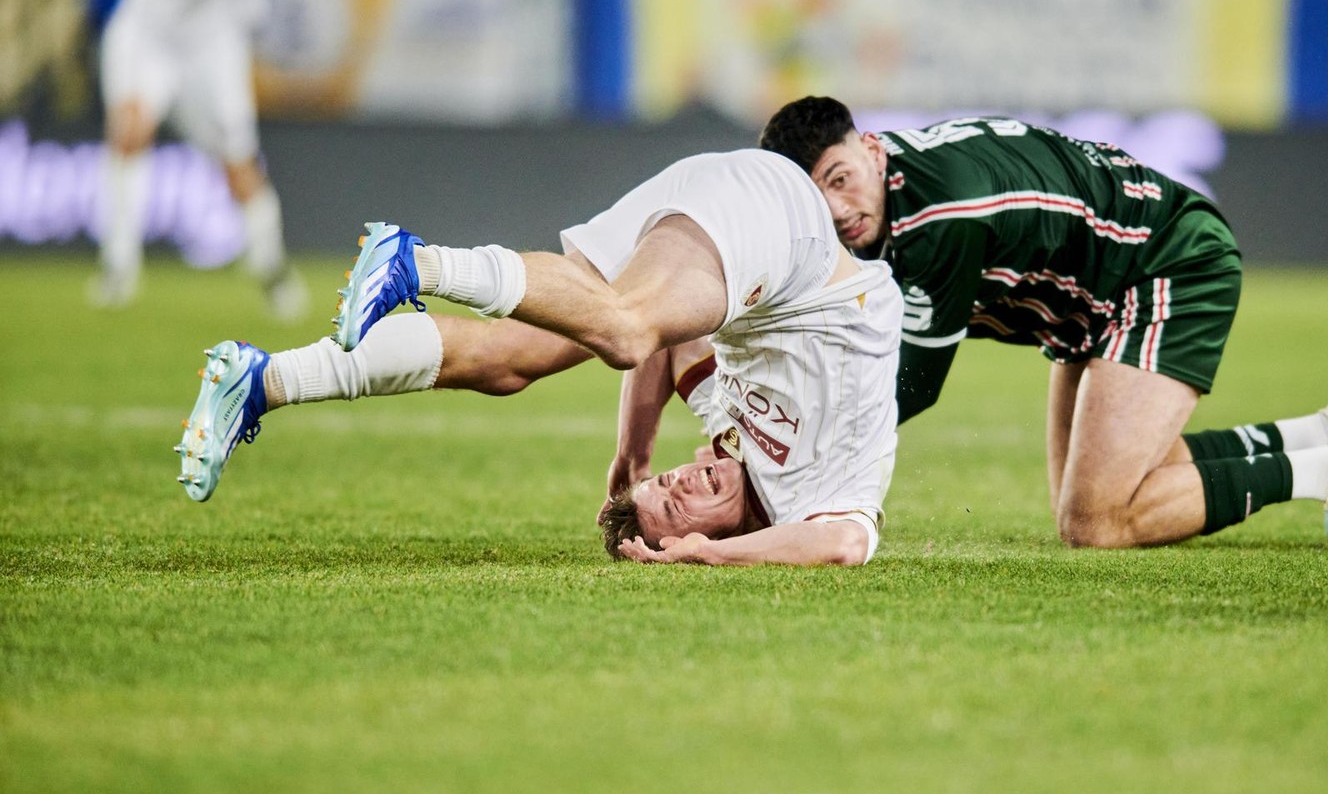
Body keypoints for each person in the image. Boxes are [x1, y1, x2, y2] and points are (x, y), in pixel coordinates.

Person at [174, 148, 903, 566]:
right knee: (623, 331)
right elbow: (841, 545)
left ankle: (263, 381)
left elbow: (677, 337)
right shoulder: (818, 497)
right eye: (682, 504)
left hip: (719, 209)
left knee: (507, 363)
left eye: (668, 491)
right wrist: (707, 557)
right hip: (786, 233)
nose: (680, 481)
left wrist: (632, 458)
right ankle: (414, 263)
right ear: (720, 535)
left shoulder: (724, 418)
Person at [757, 96, 1328, 549]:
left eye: (840, 179)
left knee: (1098, 519)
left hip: (1161, 262)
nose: (838, 211)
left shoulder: (933, 219)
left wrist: (802, 457)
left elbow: (912, 385)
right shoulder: (889, 191)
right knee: (1097, 488)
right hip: (1092, 296)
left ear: (871, 150)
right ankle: (1321, 432)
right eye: (817, 199)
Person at [97, 0, 306, 316]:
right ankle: (118, 266)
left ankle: (270, 266)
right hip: (148, 32)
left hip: (213, 39)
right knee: (128, 133)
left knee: (238, 161)